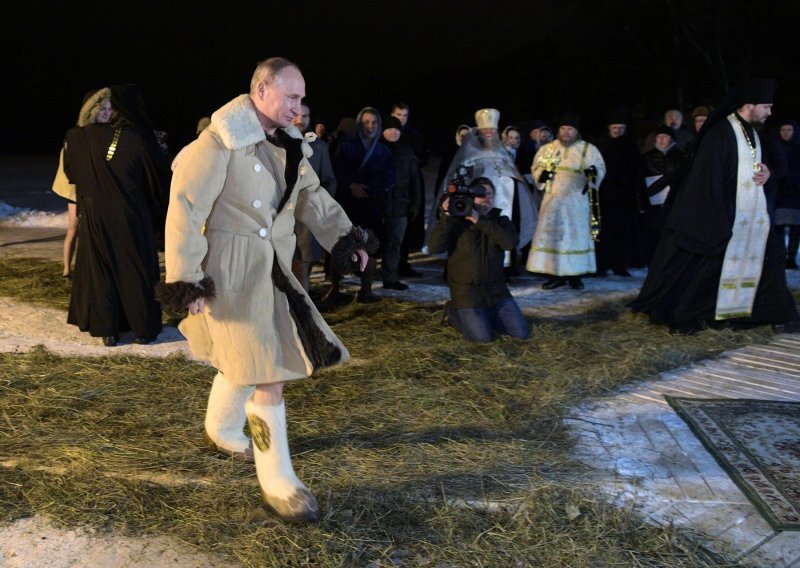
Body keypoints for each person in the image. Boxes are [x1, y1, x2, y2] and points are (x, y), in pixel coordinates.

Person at [156, 57, 376, 524]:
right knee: (266, 368)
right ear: (261, 91)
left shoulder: (291, 144)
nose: (298, 106)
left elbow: (313, 197)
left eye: (301, 97)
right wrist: (186, 279)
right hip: (229, 274)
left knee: (250, 357)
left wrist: (344, 239)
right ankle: (278, 481)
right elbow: (186, 212)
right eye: (291, 96)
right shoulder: (217, 143)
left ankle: (219, 427)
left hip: (273, 269)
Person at [631, 78, 799, 333]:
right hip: (718, 213)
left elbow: (760, 168)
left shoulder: (752, 133)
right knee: (704, 267)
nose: (769, 112)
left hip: (749, 215)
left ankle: (770, 314)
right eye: (766, 106)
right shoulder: (720, 133)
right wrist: (719, 217)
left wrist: (768, 173)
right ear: (749, 105)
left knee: (772, 255)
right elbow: (707, 178)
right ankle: (700, 313)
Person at [63, 84, 169, 347]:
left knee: (101, 273)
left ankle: (108, 331)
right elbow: (152, 179)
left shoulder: (75, 137)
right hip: (130, 215)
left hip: (93, 215)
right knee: (135, 271)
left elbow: (71, 174)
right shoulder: (133, 137)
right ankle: (143, 329)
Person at [427, 109, 537, 277]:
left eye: (492, 130)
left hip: (500, 203)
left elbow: (513, 176)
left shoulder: (503, 153)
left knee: (496, 232)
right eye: (485, 130)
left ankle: (501, 270)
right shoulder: (468, 152)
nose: (489, 133)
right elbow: (458, 176)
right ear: (479, 131)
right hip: (474, 203)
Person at [427, 177, 528, 342]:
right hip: (467, 291)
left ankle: (485, 317)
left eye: (489, 194)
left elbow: (509, 243)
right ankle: (453, 311)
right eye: (481, 194)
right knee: (481, 339)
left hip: (496, 290)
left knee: (520, 334)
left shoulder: (501, 221)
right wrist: (446, 217)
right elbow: (434, 247)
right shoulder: (457, 222)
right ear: (471, 197)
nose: (486, 199)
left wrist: (479, 221)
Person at [527, 113, 606, 290]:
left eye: (570, 129)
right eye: (563, 129)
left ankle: (575, 275)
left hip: (576, 202)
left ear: (576, 131)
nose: (566, 133)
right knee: (552, 238)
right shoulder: (548, 149)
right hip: (552, 203)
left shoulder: (588, 149)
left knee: (575, 238)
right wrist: (541, 175)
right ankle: (554, 275)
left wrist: (593, 174)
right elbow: (536, 168)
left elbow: (600, 169)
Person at [328, 107, 394, 303]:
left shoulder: (384, 150)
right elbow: (336, 171)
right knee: (342, 245)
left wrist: (371, 190)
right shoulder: (347, 146)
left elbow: (390, 177)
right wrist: (350, 186)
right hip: (349, 203)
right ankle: (335, 288)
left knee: (370, 246)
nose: (370, 126)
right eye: (366, 122)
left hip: (372, 205)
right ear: (359, 124)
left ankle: (366, 290)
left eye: (374, 122)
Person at [52, 87, 113, 278]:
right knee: (74, 228)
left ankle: (92, 268)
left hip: (93, 191)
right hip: (76, 190)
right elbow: (69, 167)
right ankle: (66, 268)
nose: (107, 113)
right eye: (102, 109)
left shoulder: (105, 134)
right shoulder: (77, 136)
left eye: (109, 109)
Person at [291, 102, 337, 291]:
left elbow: (329, 180)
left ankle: (303, 312)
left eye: (306, 116)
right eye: (296, 114)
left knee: (302, 264)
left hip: (305, 219)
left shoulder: (319, 147)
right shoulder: (272, 143)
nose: (300, 120)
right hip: (278, 216)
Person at [594, 109, 642, 276]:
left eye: (621, 127)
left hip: (623, 196)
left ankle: (619, 264)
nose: (617, 130)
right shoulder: (601, 144)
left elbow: (635, 170)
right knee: (601, 232)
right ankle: (601, 265)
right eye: (615, 127)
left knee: (621, 232)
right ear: (609, 128)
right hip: (603, 196)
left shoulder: (631, 145)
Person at [379, 115, 423, 290]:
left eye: (396, 130)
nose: (393, 133)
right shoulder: (377, 150)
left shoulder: (406, 152)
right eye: (390, 129)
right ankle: (364, 275)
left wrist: (416, 203)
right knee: (374, 243)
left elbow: (415, 180)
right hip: (379, 206)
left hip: (400, 206)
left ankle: (390, 277)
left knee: (394, 244)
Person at [390, 102, 429, 278]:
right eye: (399, 115)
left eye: (405, 115)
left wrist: (416, 160)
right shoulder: (388, 132)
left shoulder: (413, 134)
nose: (402, 119)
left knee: (406, 229)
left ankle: (403, 264)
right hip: (390, 187)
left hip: (408, 185)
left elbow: (423, 156)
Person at [639, 124, 685, 262]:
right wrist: (642, 201)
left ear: (671, 139)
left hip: (674, 202)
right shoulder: (646, 158)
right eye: (659, 137)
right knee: (653, 233)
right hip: (653, 203)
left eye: (665, 136)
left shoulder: (681, 157)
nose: (661, 140)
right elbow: (639, 182)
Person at [774, 119, 800, 269]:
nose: (786, 133)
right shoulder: (776, 147)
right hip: (780, 193)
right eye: (783, 130)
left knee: (796, 228)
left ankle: (791, 257)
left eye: (789, 130)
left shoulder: (797, 148)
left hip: (796, 193)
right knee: (779, 227)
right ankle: (780, 256)